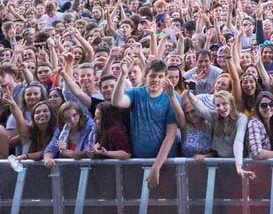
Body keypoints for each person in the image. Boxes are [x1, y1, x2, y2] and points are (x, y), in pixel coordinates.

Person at [111, 59, 180, 188]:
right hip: (138, 162)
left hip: (165, 162)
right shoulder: (135, 93)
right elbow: (117, 102)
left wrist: (156, 167)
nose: (156, 80)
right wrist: (123, 75)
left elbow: (171, 135)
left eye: (160, 76)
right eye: (152, 75)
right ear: (145, 75)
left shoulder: (172, 96)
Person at [183, 89, 255, 179]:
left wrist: (239, 166)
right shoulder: (215, 117)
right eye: (217, 105)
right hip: (220, 164)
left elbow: (238, 142)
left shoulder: (241, 118)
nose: (221, 108)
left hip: (238, 163)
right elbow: (202, 109)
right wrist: (189, 93)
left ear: (231, 104)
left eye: (224, 103)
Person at [42, 101, 95, 167]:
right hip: (66, 170)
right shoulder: (61, 129)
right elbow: (50, 149)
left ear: (79, 114)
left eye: (74, 115)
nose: (72, 120)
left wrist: (66, 152)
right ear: (62, 120)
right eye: (67, 118)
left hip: (87, 169)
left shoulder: (91, 128)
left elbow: (88, 153)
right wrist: (48, 159)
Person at [246, 91, 273, 160]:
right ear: (258, 107)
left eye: (271, 104)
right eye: (264, 105)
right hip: (257, 168)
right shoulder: (254, 123)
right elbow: (257, 153)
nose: (268, 107)